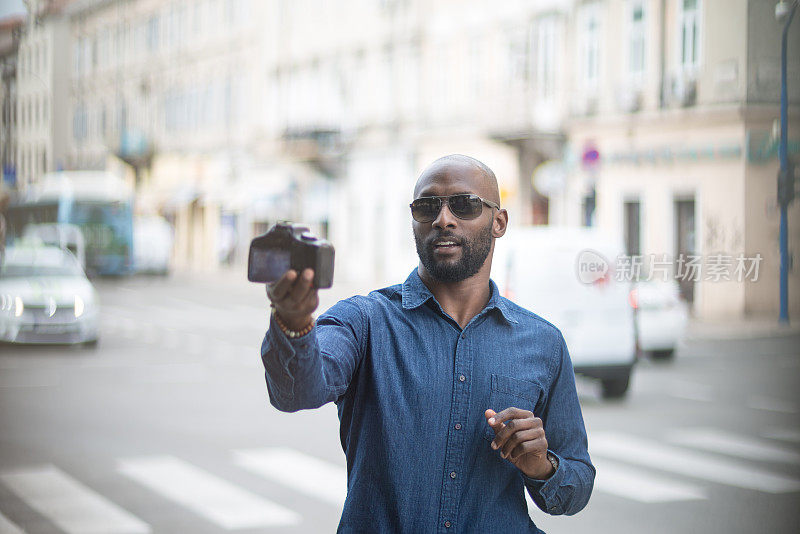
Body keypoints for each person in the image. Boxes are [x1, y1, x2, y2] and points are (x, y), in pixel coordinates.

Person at [261, 154, 594, 533]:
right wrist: (293, 322)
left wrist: (541, 465)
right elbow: (295, 392)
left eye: (465, 205)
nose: (443, 219)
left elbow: (576, 486)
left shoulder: (543, 342)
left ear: (499, 222)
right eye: (427, 206)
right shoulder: (365, 320)